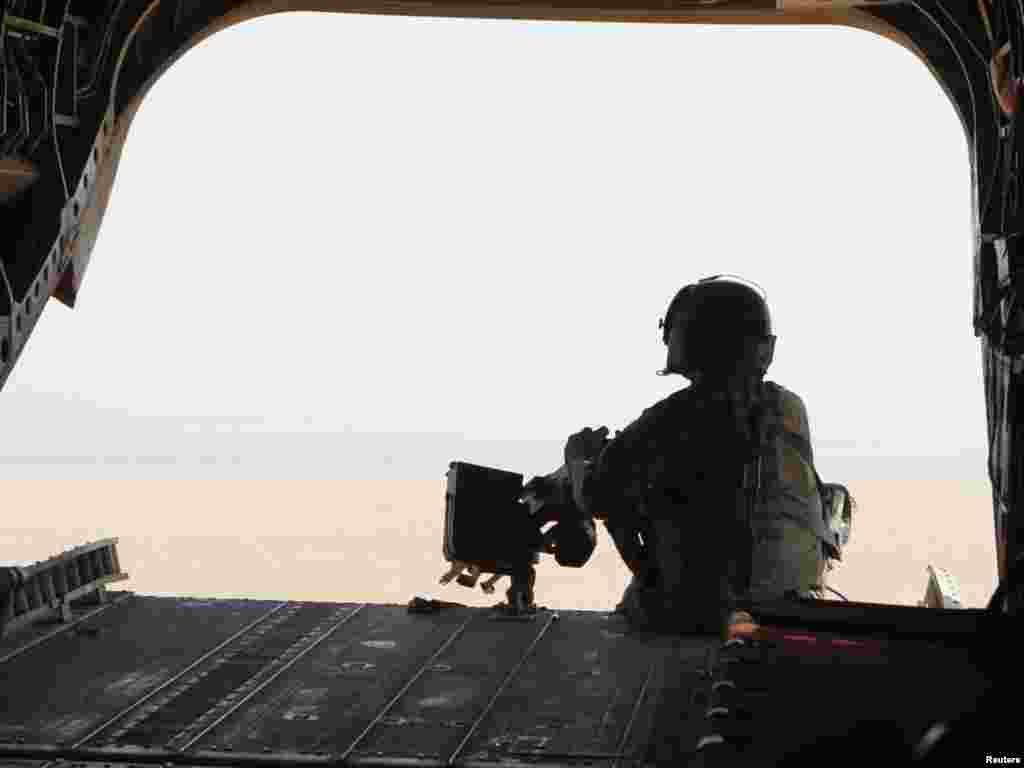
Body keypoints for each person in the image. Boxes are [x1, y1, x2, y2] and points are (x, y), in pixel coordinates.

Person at [563, 276, 833, 631]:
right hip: (789, 614)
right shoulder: (787, 408)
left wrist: (579, 459)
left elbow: (596, 496)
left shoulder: (675, 417)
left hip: (702, 618)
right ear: (763, 347)